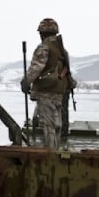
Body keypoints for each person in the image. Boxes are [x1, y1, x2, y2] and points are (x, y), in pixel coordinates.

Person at [20, 18, 75, 150]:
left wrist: (25, 82)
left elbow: (36, 67)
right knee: (57, 125)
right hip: (58, 92)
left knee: (49, 125)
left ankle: (50, 155)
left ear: (42, 33)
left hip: (46, 92)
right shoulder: (62, 49)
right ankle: (54, 151)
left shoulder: (44, 47)